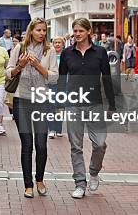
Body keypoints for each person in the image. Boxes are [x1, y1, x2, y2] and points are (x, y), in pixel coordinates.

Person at [58, 18, 116, 199]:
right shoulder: (67, 53)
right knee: (76, 146)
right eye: (74, 31)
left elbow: (107, 78)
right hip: (73, 104)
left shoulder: (100, 52)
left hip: (95, 104)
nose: (77, 34)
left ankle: (93, 171)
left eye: (80, 31)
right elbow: (61, 79)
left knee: (100, 143)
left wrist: (112, 105)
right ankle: (80, 183)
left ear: (89, 32)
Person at [6, 18, 58, 198]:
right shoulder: (19, 48)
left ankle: (40, 180)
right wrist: (20, 66)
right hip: (22, 99)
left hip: (41, 100)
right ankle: (28, 185)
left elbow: (53, 78)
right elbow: (8, 72)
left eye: (44, 30)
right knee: (27, 144)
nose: (42, 33)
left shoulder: (49, 50)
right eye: (38, 30)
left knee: (41, 145)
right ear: (31, 31)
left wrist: (37, 65)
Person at [48, 36, 65, 139]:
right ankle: (52, 129)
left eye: (59, 42)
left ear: (63, 44)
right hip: (52, 84)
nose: (57, 44)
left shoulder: (66, 56)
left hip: (63, 84)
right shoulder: (50, 55)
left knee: (61, 107)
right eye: (55, 43)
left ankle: (59, 129)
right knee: (51, 105)